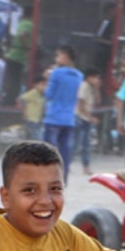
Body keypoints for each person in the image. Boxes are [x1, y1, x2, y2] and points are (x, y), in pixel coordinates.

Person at [42, 45, 84, 183]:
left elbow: (49, 95)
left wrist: (47, 79)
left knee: (48, 151)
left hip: (54, 116)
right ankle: (62, 178)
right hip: (69, 118)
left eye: (58, 55)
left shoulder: (56, 73)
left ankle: (47, 178)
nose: (57, 58)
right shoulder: (79, 75)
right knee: (65, 151)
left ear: (65, 56)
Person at [3, 5, 34, 106]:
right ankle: (10, 101)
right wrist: (26, 48)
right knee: (16, 81)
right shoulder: (29, 24)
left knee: (13, 80)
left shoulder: (22, 23)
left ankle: (8, 99)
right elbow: (22, 35)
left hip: (13, 56)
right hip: (18, 56)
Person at [75, 68, 102, 177]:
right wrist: (90, 117)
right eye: (96, 78)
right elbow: (81, 104)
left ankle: (86, 167)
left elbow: (97, 101)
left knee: (86, 145)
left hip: (86, 119)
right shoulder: (84, 86)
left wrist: (97, 89)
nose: (97, 80)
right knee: (75, 144)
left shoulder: (91, 88)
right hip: (80, 118)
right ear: (89, 77)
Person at [17, 74, 47, 139]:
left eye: (45, 85)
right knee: (37, 137)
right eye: (42, 84)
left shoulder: (43, 95)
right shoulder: (33, 93)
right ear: (35, 85)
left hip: (38, 120)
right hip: (31, 119)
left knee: (35, 137)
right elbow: (19, 99)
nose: (44, 87)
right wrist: (24, 111)